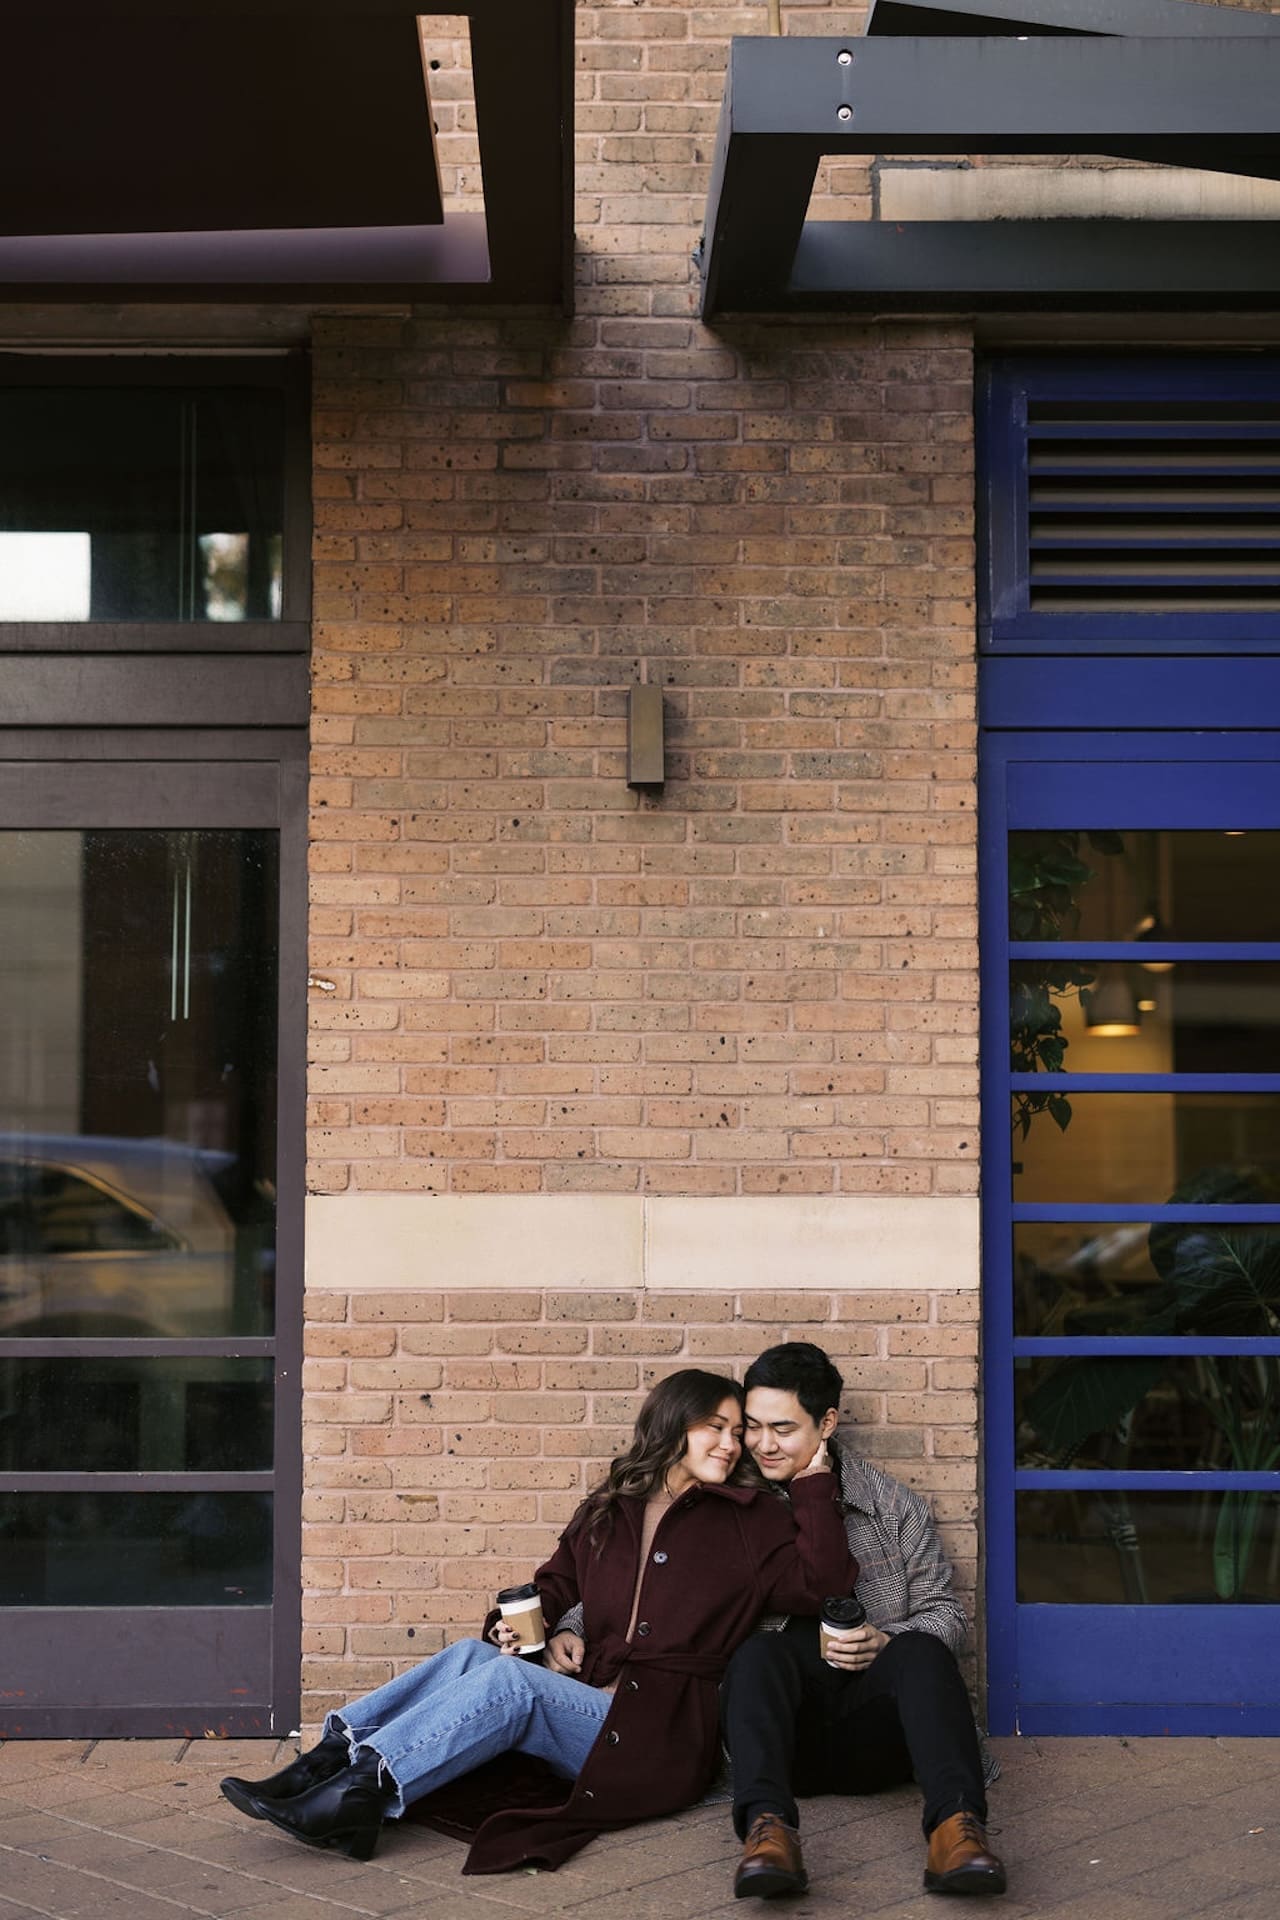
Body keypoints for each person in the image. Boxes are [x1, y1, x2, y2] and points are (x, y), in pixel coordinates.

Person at [220, 1367, 857, 1872]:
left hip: (660, 1734)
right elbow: (553, 1586)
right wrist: (530, 1626)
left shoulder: (749, 1518)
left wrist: (814, 1483)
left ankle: (358, 1791)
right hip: (590, 1703)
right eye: (712, 1426)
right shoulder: (611, 1505)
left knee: (512, 1684)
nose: (731, 1442)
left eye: (734, 1430)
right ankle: (325, 1763)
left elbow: (822, 1585)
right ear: (671, 1426)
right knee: (477, 1658)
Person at [722, 1341, 1006, 1901]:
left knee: (923, 1648)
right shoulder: (727, 1503)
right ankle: (768, 1833)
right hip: (781, 1742)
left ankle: (957, 1831)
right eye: (752, 1427)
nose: (761, 1444)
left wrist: (887, 1640)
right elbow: (653, 1585)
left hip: (879, 1738)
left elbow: (945, 1612)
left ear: (826, 1422)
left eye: (782, 1428)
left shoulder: (894, 1508)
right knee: (757, 1655)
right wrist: (573, 1627)